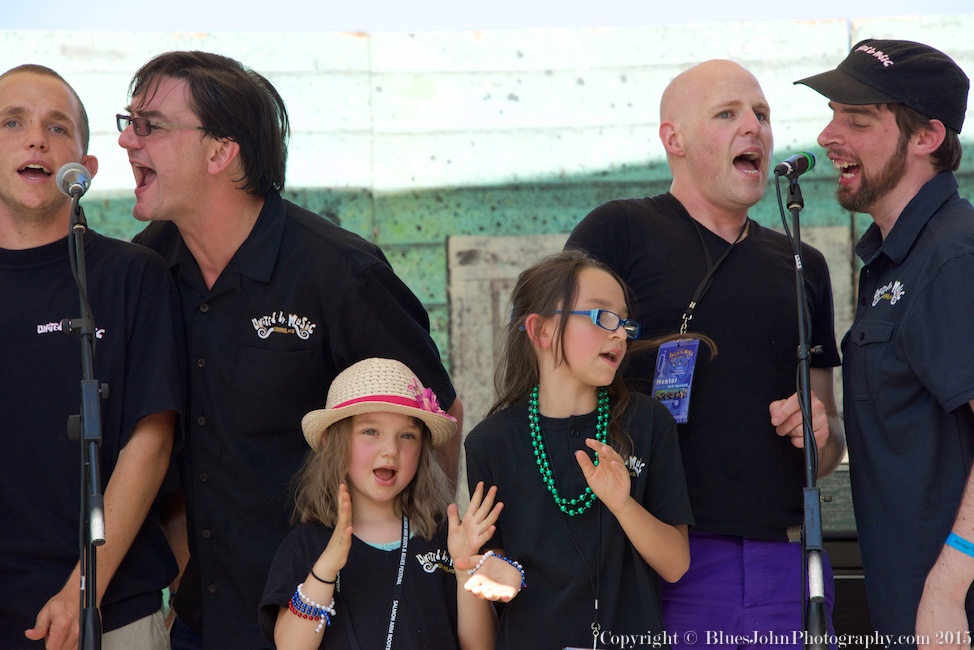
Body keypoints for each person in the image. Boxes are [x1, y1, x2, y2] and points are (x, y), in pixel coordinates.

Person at [116, 51, 462, 648]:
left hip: (341, 619)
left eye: (150, 125)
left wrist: (415, 578)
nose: (126, 139)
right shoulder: (148, 267)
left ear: (221, 152)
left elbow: (439, 420)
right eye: (128, 120)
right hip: (207, 622)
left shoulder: (339, 271)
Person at [565, 59, 845, 644]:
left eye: (762, 115)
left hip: (780, 558)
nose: (755, 128)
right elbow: (557, 382)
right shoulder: (617, 231)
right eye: (727, 113)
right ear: (674, 139)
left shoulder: (804, 265)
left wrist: (817, 429)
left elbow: (829, 440)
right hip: (652, 547)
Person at [796, 39, 974, 645]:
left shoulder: (952, 257)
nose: (827, 136)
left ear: (926, 137)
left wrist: (949, 588)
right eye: (831, 114)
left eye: (857, 119)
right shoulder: (897, 260)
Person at [0, 64, 182, 649]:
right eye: (12, 123)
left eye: (58, 129)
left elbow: (149, 443)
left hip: (113, 611)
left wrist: (85, 590)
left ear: (86, 167)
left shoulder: (131, 276)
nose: (36, 140)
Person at [464, 249, 694, 649]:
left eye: (625, 322)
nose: (620, 333)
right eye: (602, 315)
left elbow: (676, 564)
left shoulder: (647, 422)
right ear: (541, 331)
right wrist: (494, 570)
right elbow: (493, 561)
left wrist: (623, 504)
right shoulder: (490, 442)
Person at [260, 357, 515, 649]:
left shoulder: (445, 538)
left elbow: (481, 646)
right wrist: (326, 568)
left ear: (422, 451)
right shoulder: (305, 545)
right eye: (371, 431)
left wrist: (464, 568)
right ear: (333, 441)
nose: (391, 450)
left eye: (407, 435)